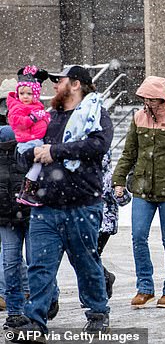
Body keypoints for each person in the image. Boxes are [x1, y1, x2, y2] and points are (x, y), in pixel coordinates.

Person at [15, 65, 113, 334]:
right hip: (46, 205)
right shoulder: (49, 117)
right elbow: (28, 147)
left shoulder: (95, 115)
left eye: (60, 81)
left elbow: (97, 146)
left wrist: (54, 152)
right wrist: (30, 153)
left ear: (76, 84)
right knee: (39, 265)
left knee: (85, 262)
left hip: (82, 204)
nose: (55, 86)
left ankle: (97, 313)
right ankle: (35, 319)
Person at [112, 76, 165, 309]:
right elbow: (129, 152)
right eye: (146, 99)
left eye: (153, 100)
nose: (149, 104)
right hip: (142, 190)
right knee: (138, 237)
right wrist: (119, 179)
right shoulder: (138, 118)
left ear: (162, 98)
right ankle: (145, 288)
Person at [0, 125, 31, 329]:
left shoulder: (26, 154)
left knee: (35, 262)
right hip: (5, 219)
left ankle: (38, 306)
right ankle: (15, 311)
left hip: (29, 216)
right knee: (10, 262)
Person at [6, 66, 50, 206]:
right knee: (37, 166)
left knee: (41, 167)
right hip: (28, 142)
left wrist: (45, 118)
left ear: (35, 95)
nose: (25, 97)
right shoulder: (17, 107)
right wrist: (33, 118)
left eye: (29, 94)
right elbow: (18, 123)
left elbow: (43, 119)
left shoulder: (37, 106)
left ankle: (29, 192)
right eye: (22, 93)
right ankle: (27, 192)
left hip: (37, 140)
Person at [98, 151, 131, 299]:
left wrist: (120, 193)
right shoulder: (80, 175)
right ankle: (104, 279)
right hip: (86, 221)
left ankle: (97, 290)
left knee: (91, 256)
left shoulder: (109, 176)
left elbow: (124, 200)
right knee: (88, 257)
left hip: (104, 224)